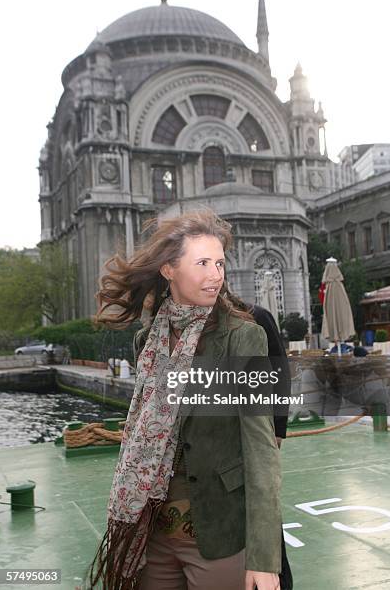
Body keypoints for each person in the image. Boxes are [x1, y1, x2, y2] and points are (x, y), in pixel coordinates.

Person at [87, 209, 284, 590]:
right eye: (203, 263)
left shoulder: (243, 337)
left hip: (216, 533)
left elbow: (261, 453)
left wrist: (263, 558)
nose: (216, 275)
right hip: (150, 531)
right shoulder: (148, 341)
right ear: (168, 270)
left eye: (220, 263)